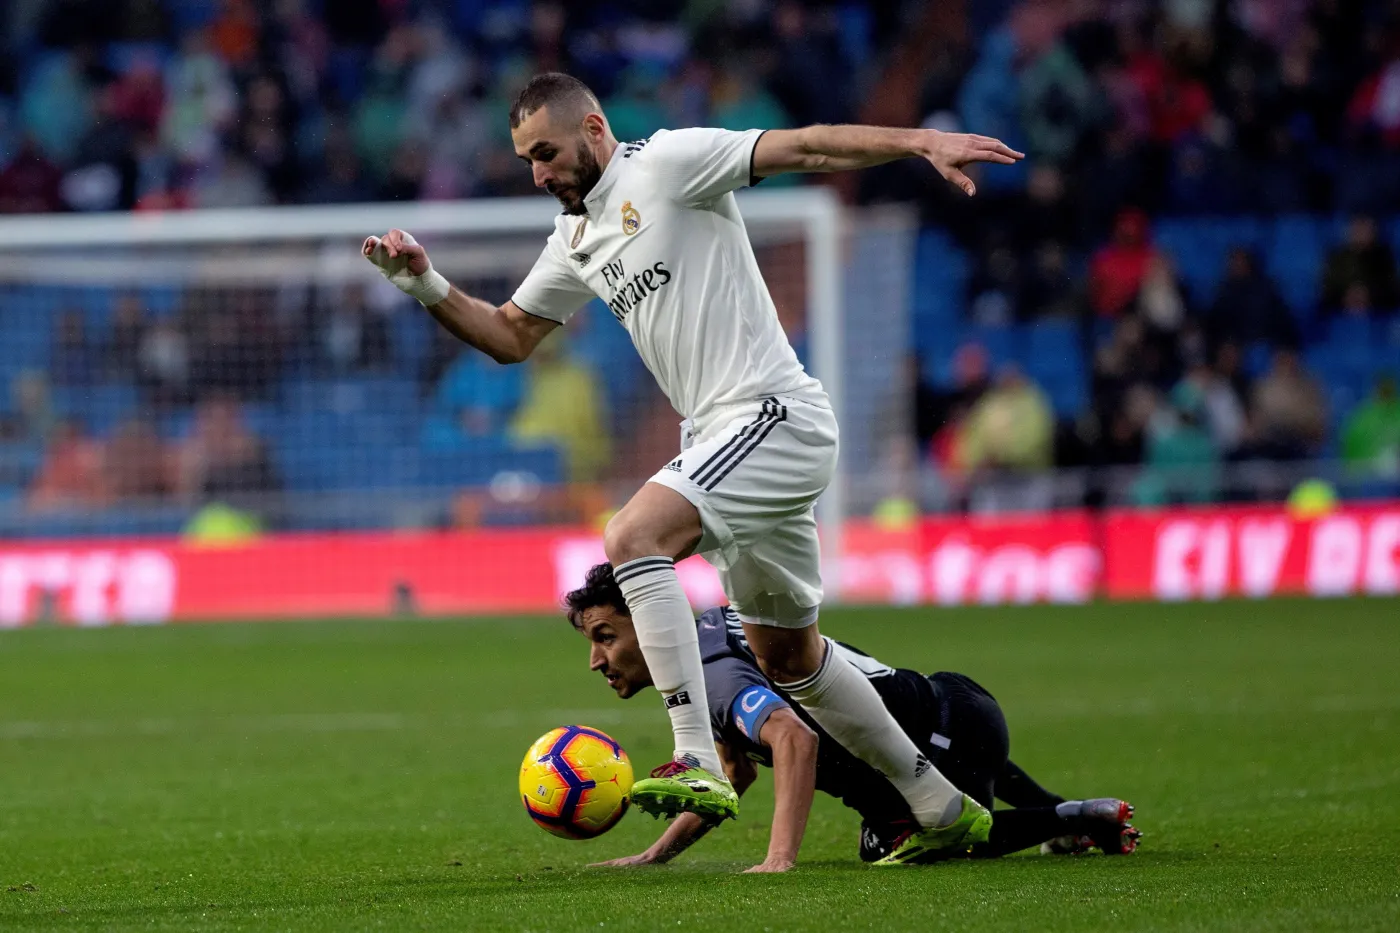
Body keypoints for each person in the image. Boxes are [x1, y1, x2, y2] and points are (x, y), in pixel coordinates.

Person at [363, 72, 1023, 867]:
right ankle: (938, 803)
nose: (537, 173)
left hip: (772, 415)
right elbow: (508, 334)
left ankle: (695, 755)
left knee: (632, 533)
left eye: (545, 152)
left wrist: (919, 140)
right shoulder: (575, 238)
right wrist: (425, 284)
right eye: (525, 160)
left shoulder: (670, 165)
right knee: (791, 661)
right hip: (725, 440)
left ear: (594, 128)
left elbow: (805, 145)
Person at [566, 563, 1141, 871]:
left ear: (649, 624)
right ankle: (1073, 816)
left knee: (898, 843)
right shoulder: (716, 633)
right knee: (932, 778)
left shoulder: (713, 674)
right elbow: (735, 777)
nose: (596, 660)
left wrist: (778, 859)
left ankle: (1073, 818)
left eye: (606, 637)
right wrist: (654, 855)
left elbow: (792, 740)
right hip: (959, 708)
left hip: (944, 735)